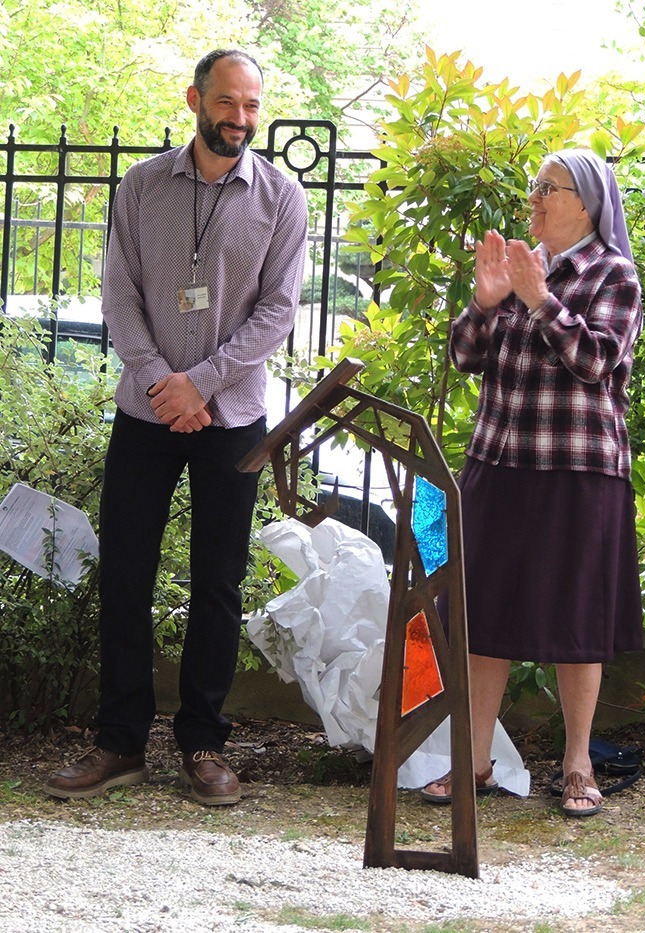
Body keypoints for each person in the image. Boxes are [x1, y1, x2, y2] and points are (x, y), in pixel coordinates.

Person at [44, 49, 308, 806]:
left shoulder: (283, 199)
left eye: (253, 106)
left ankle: (203, 743)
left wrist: (202, 383)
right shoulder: (141, 187)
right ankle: (121, 744)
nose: (241, 119)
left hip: (232, 418)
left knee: (217, 584)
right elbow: (119, 295)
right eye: (228, 103)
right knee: (126, 575)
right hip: (146, 411)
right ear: (196, 98)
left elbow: (277, 313)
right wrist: (164, 382)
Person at [421, 149, 643, 817]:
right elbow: (465, 355)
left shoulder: (614, 274)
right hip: (499, 461)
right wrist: (486, 302)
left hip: (579, 471)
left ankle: (578, 765)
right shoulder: (520, 268)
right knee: (483, 612)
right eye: (534, 186)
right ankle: (476, 760)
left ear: (587, 202)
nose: (536, 198)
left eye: (549, 187)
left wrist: (538, 299)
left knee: (578, 620)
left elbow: (595, 361)